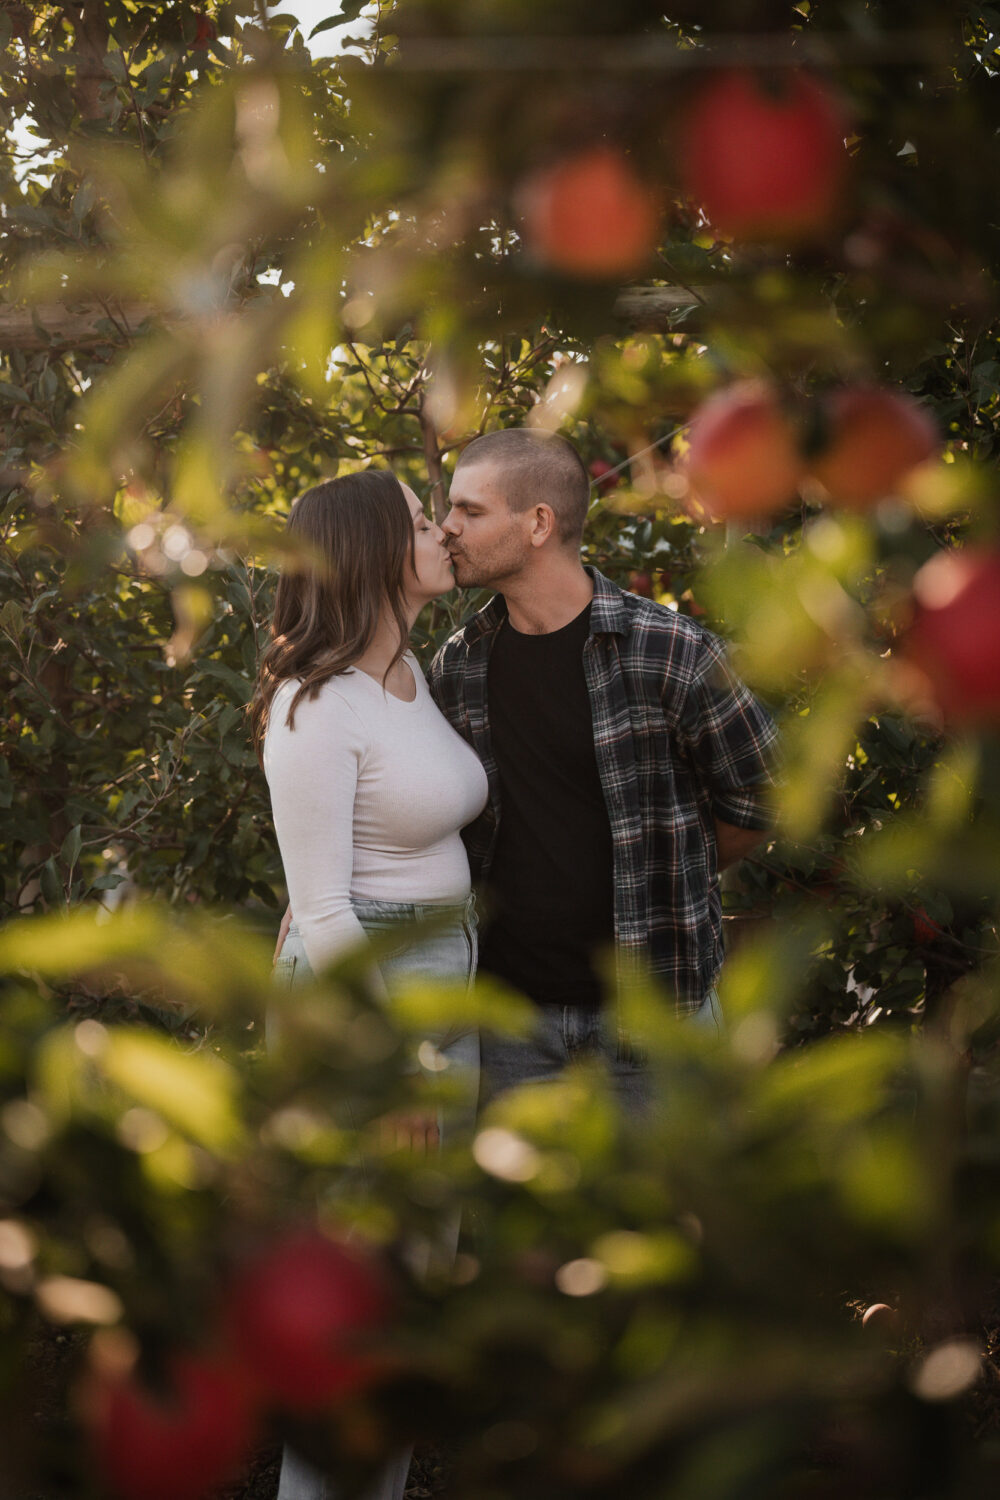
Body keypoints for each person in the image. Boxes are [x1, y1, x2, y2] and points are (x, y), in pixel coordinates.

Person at [249, 468, 488, 1500]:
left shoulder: (409, 678)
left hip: (433, 987)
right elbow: (329, 909)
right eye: (420, 517)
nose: (441, 530)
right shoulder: (314, 706)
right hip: (376, 1008)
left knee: (408, 1301)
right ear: (372, 551)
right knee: (357, 1316)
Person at [429, 427, 779, 1107]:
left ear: (538, 523)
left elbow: (761, 798)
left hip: (654, 1021)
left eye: (469, 511)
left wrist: (668, 869)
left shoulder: (670, 651)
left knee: (664, 1213)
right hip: (510, 1025)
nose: (447, 528)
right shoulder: (460, 664)